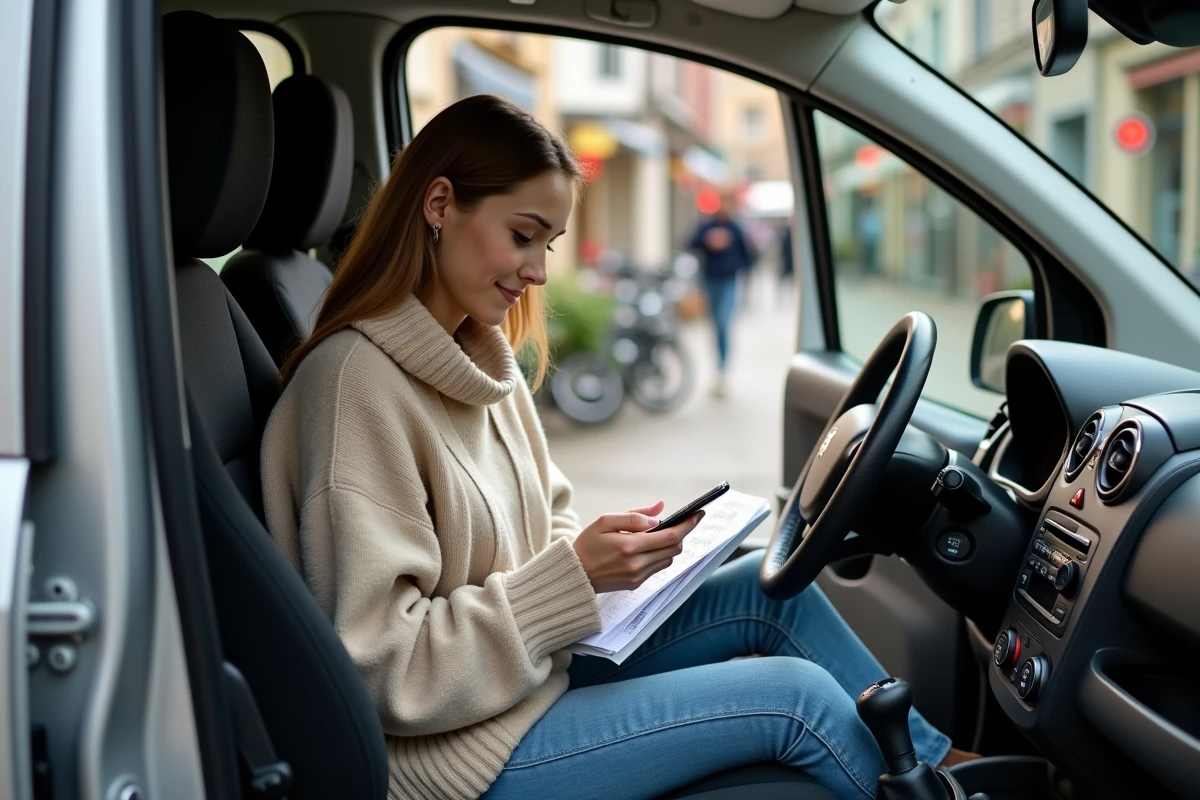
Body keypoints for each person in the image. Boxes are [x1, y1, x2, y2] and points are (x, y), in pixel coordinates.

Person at [262, 94, 968, 800]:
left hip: (522, 679)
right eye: (523, 235)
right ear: (440, 204)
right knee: (796, 701)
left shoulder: (478, 357)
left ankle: (946, 771)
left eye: (549, 244)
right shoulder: (353, 387)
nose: (539, 271)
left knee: (775, 595)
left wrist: (619, 559)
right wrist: (571, 577)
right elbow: (385, 670)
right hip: (449, 755)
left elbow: (548, 525)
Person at [688, 193, 756, 397]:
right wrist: (708, 241)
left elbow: (747, 256)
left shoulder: (735, 228)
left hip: (728, 281)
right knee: (716, 325)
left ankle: (723, 369)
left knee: (723, 322)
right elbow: (690, 242)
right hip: (710, 281)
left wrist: (740, 271)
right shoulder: (706, 226)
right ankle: (718, 367)